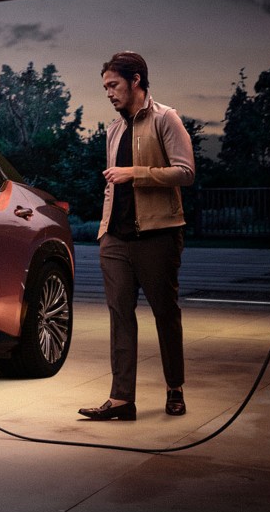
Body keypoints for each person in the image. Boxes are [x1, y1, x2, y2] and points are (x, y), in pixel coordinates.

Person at [79, 52, 195, 421]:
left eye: (113, 85)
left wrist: (136, 173)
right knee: (119, 315)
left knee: (165, 313)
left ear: (136, 80)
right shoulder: (113, 129)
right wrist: (103, 231)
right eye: (105, 87)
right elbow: (113, 187)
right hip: (115, 237)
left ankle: (174, 388)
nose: (108, 93)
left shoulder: (166, 118)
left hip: (158, 234)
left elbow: (186, 172)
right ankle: (121, 399)